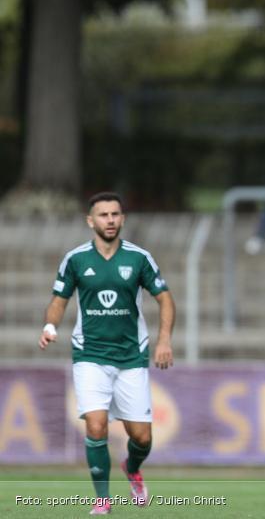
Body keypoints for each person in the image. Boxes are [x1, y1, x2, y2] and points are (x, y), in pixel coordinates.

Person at [39, 192, 175, 514]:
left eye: (115, 214)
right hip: (90, 355)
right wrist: (49, 326)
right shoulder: (75, 260)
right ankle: (103, 499)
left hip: (131, 356)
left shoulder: (139, 258)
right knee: (96, 426)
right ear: (91, 221)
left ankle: (133, 467)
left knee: (141, 437)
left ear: (122, 219)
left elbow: (165, 299)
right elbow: (59, 300)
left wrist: (164, 340)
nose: (110, 220)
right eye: (103, 215)